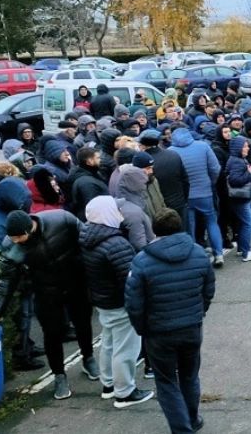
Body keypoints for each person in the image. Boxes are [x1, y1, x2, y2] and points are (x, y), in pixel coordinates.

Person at [0, 210, 97, 400]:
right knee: (52, 333)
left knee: (83, 322)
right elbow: (5, 280)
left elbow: (88, 243)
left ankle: (88, 357)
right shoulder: (11, 245)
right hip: (46, 291)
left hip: (75, 283)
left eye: (19, 237)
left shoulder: (62, 219)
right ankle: (59, 375)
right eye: (13, 237)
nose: (16, 241)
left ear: (30, 228)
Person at [126, 209, 215, 434]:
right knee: (189, 375)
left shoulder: (141, 261)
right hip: (191, 328)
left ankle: (182, 429)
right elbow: (208, 290)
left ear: (155, 231)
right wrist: (198, 313)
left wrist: (142, 329)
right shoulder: (198, 253)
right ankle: (193, 419)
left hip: (159, 333)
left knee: (166, 382)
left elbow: (134, 303)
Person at [79, 196, 155, 408]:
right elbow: (130, 279)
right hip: (120, 303)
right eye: (116, 209)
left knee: (110, 343)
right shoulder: (116, 244)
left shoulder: (87, 237)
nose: (120, 213)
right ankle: (124, 393)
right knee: (126, 349)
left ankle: (109, 385)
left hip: (103, 301)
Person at [169, 127, 223, 262]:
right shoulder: (203, 146)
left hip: (186, 196)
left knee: (190, 227)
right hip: (205, 192)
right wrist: (211, 182)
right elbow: (215, 168)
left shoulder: (170, 152)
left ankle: (194, 259)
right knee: (211, 222)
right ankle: (219, 254)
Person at [226, 136, 251, 262]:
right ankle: (246, 253)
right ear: (238, 148)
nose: (247, 148)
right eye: (245, 146)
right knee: (247, 224)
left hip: (239, 199)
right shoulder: (237, 161)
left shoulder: (237, 159)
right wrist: (250, 173)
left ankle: (242, 249)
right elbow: (234, 180)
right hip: (241, 199)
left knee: (242, 224)